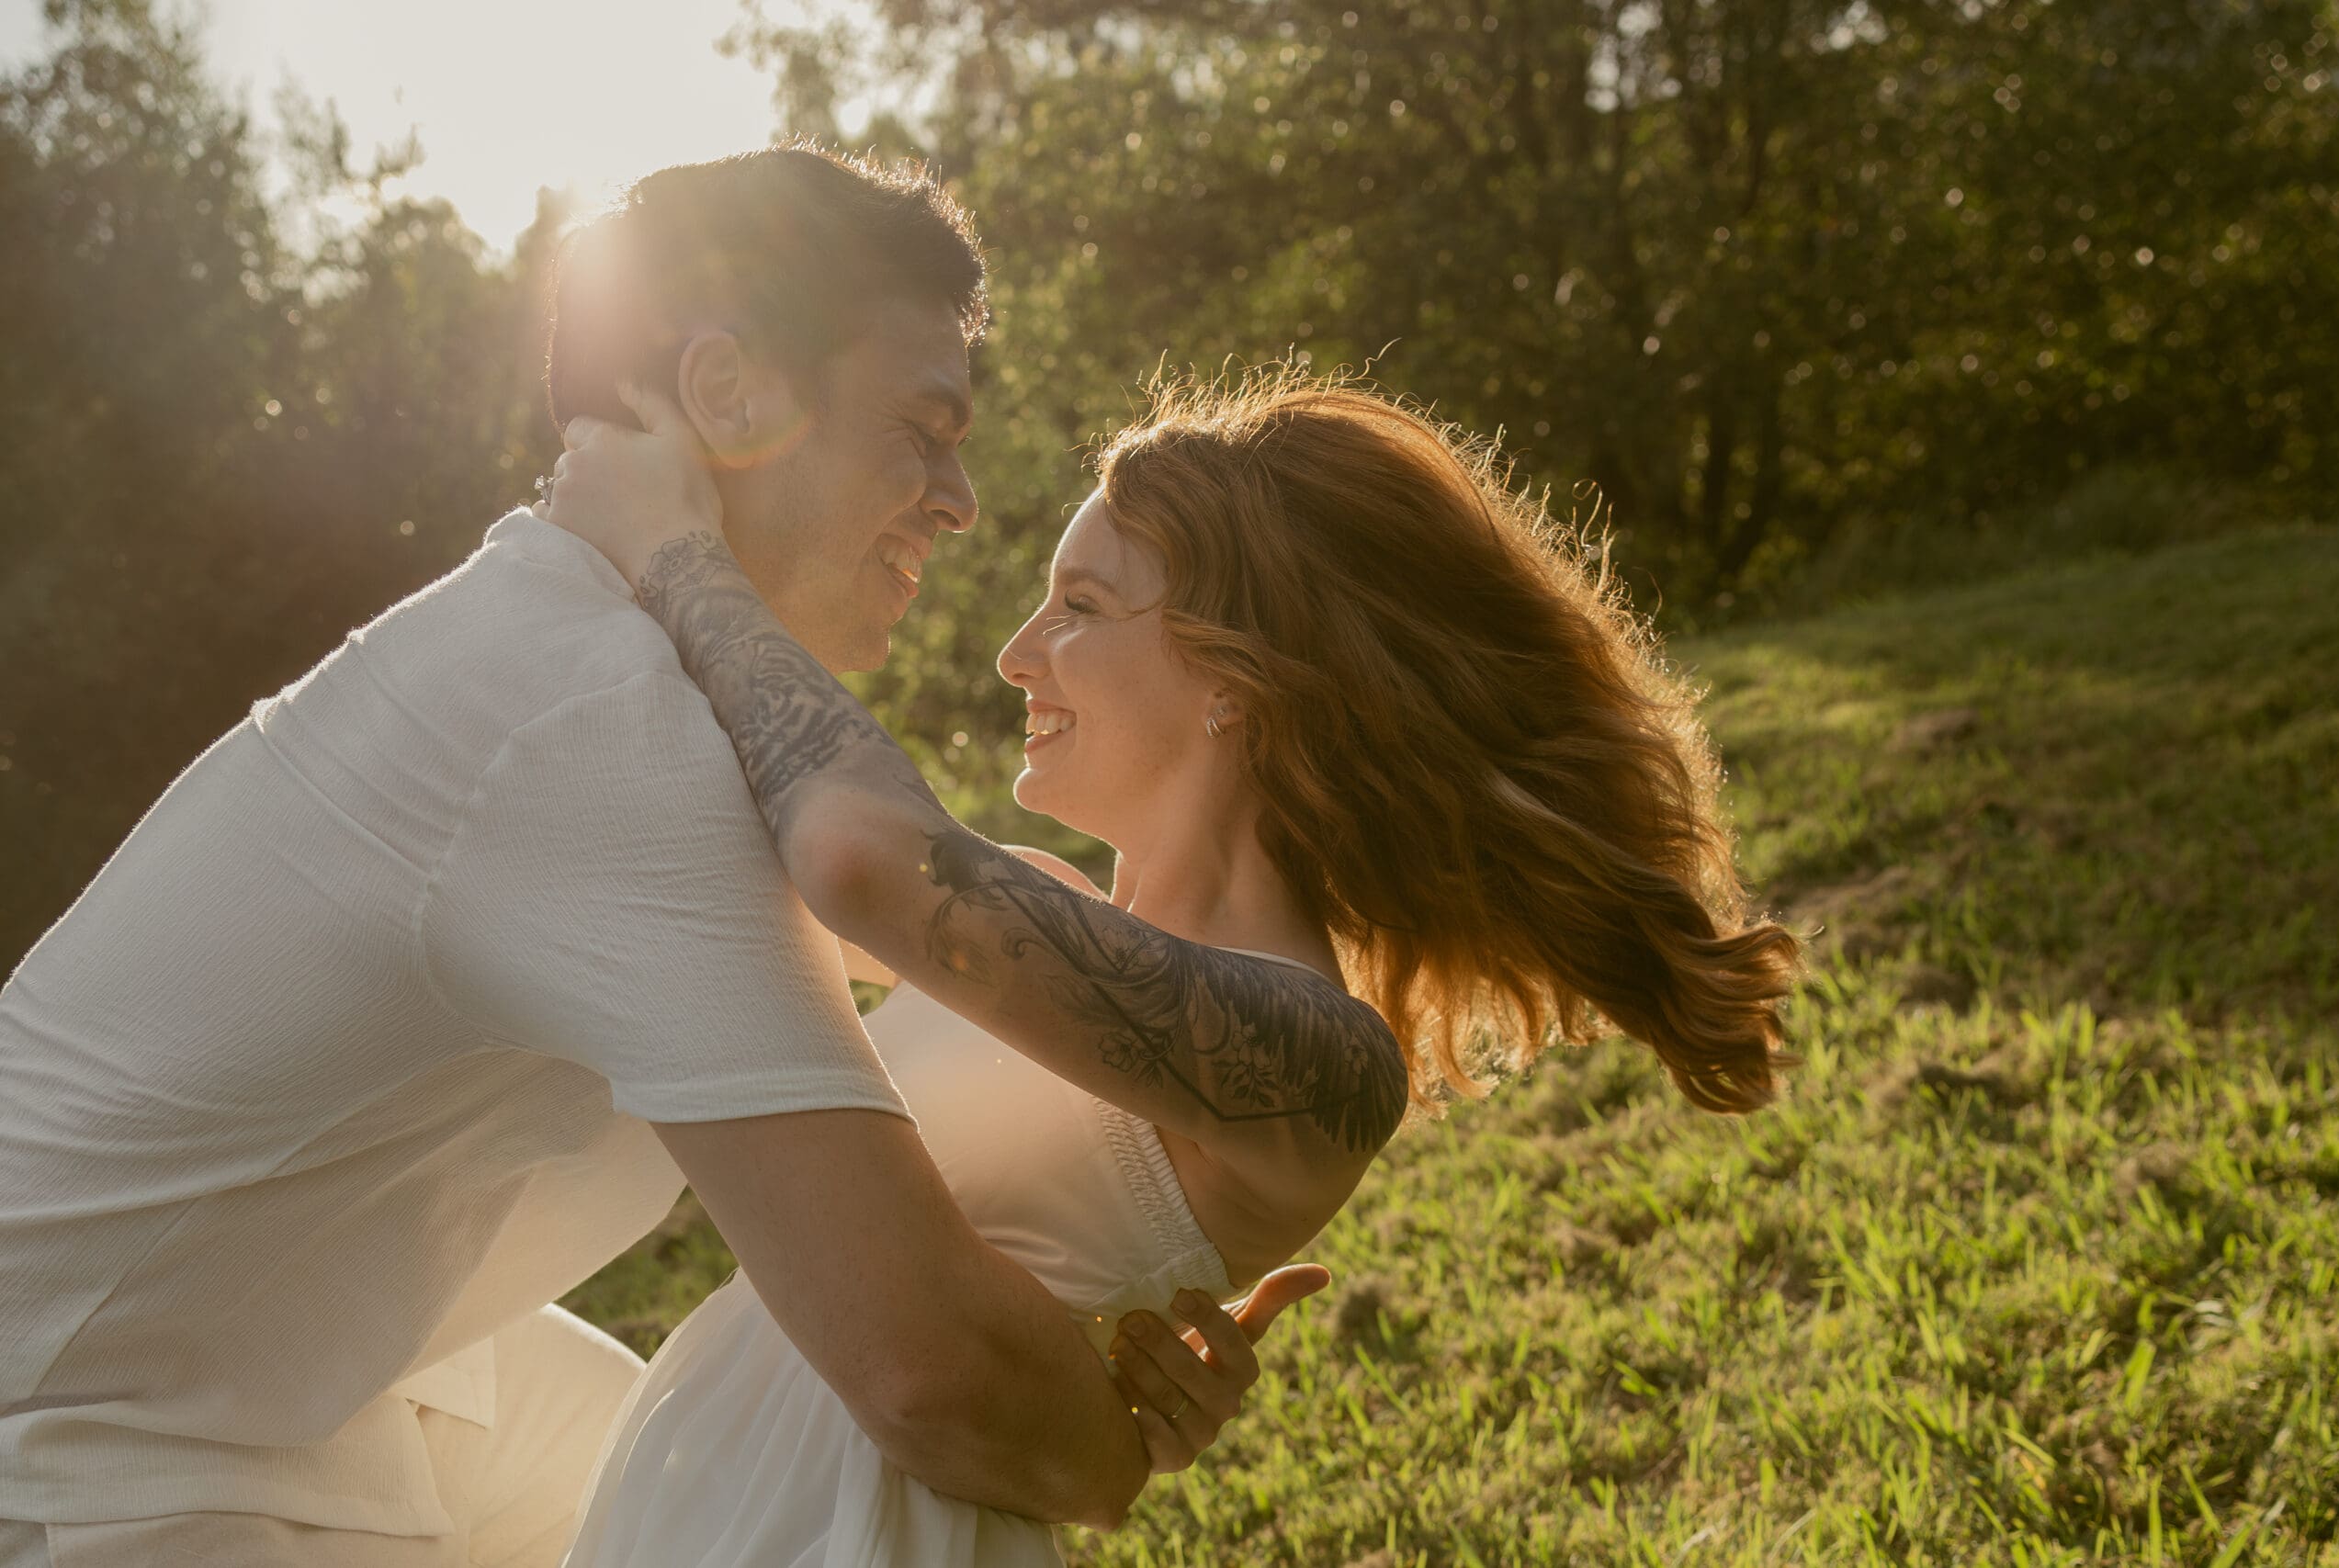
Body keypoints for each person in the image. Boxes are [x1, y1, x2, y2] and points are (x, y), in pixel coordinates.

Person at [0, 145, 1362, 1568]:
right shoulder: (591, 731)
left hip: (300, 1361)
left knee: (717, 1478)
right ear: (725, 395)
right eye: (922, 425)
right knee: (797, 1483)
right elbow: (930, 1374)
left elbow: (955, 953)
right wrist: (1106, 1442)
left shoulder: (609, 663)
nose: (958, 498)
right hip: (80, 1440)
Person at [539, 366, 1802, 1565]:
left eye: (1081, 608)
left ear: (1237, 677)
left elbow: (864, 852)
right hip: (711, 1482)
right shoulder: (1041, 906)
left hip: (858, 1527)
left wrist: (679, 552)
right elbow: (687, 862)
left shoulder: (1323, 1059)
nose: (1016, 653)